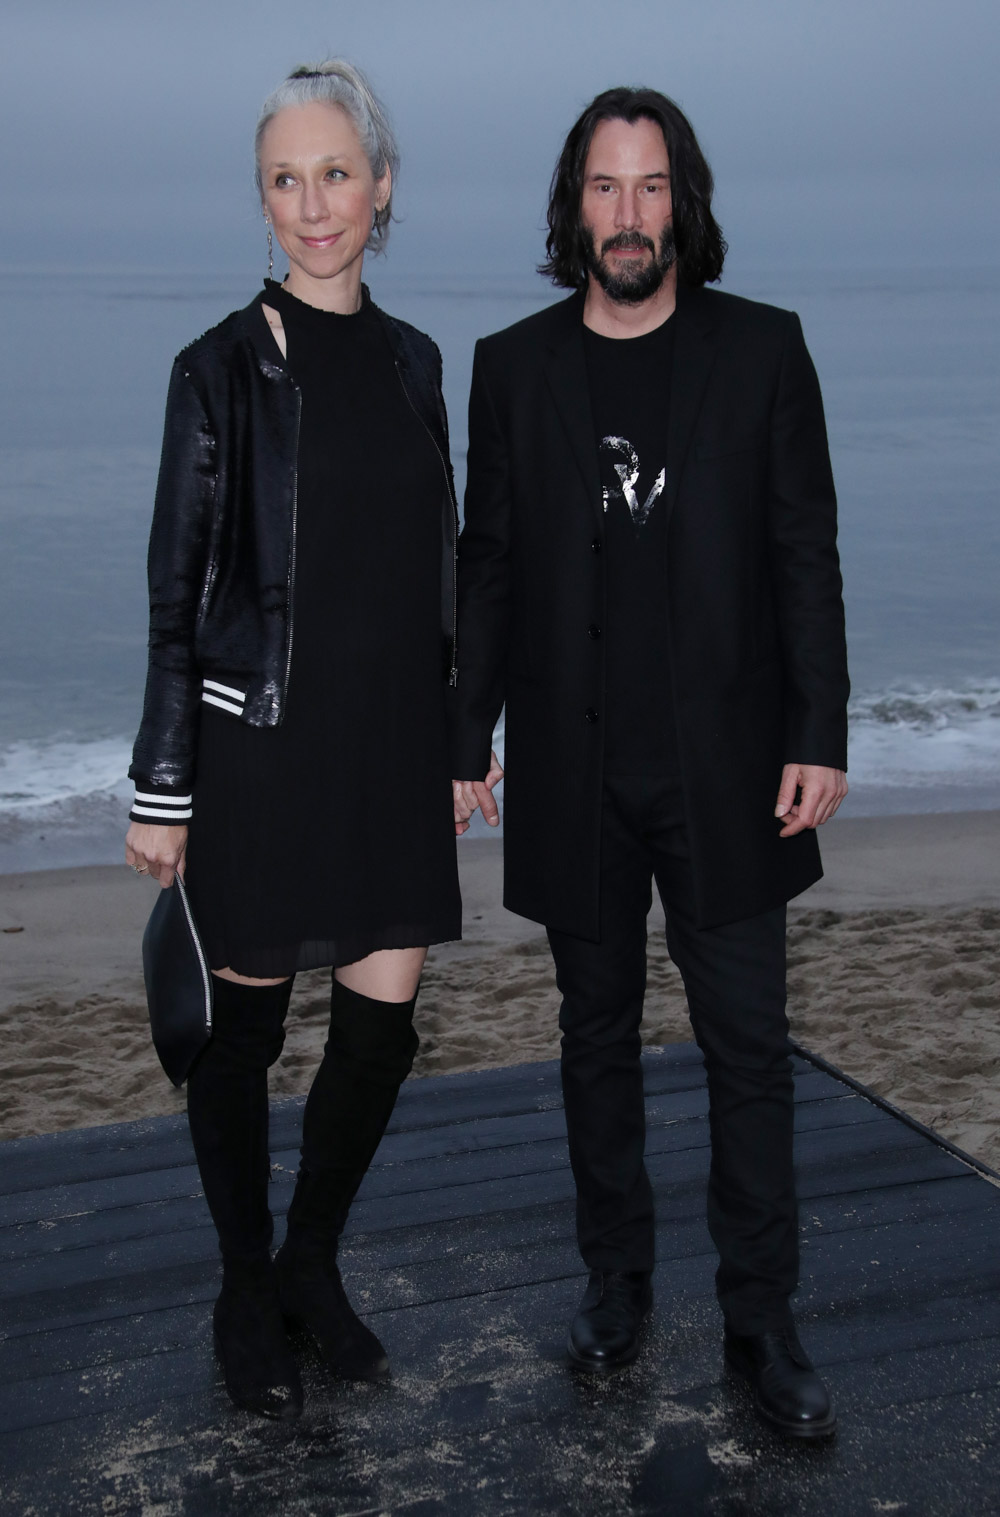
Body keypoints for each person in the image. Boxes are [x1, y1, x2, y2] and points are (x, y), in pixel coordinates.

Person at [451, 86, 849, 1440]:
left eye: (653, 186)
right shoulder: (511, 368)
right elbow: (490, 565)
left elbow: (805, 553)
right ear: (575, 207)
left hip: (734, 763)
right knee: (592, 1038)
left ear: (688, 202)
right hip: (575, 763)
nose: (630, 215)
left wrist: (820, 732)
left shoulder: (765, 352)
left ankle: (762, 1318)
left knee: (749, 1049)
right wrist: (468, 734)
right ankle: (616, 1282)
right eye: (606, 189)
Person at [125, 60, 461, 1421]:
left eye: (336, 175)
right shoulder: (213, 371)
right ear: (261, 203)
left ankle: (312, 1260)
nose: (313, 206)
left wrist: (461, 734)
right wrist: (162, 790)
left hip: (389, 750)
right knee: (242, 1036)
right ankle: (243, 1281)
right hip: (257, 748)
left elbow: (440, 566)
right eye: (286, 179)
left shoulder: (417, 362)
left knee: (382, 1024)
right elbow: (175, 591)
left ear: (381, 191)